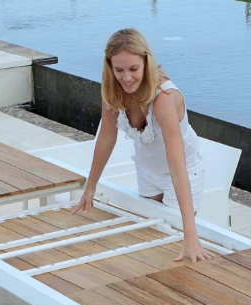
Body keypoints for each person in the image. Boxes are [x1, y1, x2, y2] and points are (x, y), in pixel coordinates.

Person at [72, 28, 214, 262]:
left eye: (133, 69)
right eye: (119, 70)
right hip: (147, 170)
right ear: (110, 68)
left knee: (178, 238)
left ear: (146, 62)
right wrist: (91, 186)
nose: (126, 77)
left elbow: (178, 168)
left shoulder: (163, 99)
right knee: (152, 236)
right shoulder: (112, 92)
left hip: (184, 170)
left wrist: (191, 233)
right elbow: (106, 138)